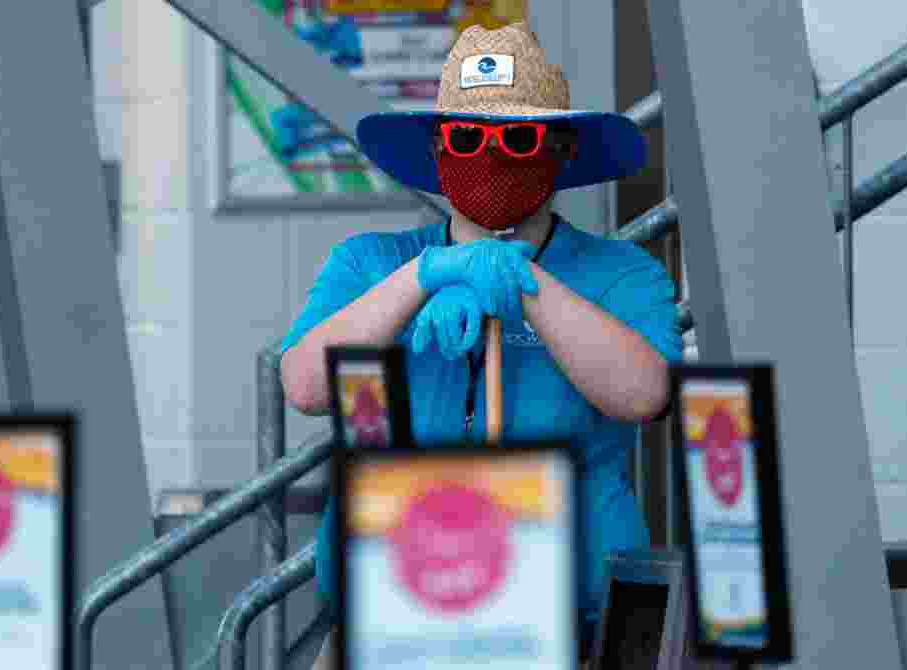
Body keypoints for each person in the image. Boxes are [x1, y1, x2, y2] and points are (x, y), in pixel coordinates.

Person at [281, 21, 683, 669]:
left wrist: (524, 282)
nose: (491, 157)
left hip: (567, 633)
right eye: (467, 138)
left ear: (561, 149)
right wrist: (425, 277)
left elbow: (643, 393)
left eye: (518, 138)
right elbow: (303, 386)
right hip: (389, 623)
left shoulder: (623, 274)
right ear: (439, 152)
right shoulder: (368, 264)